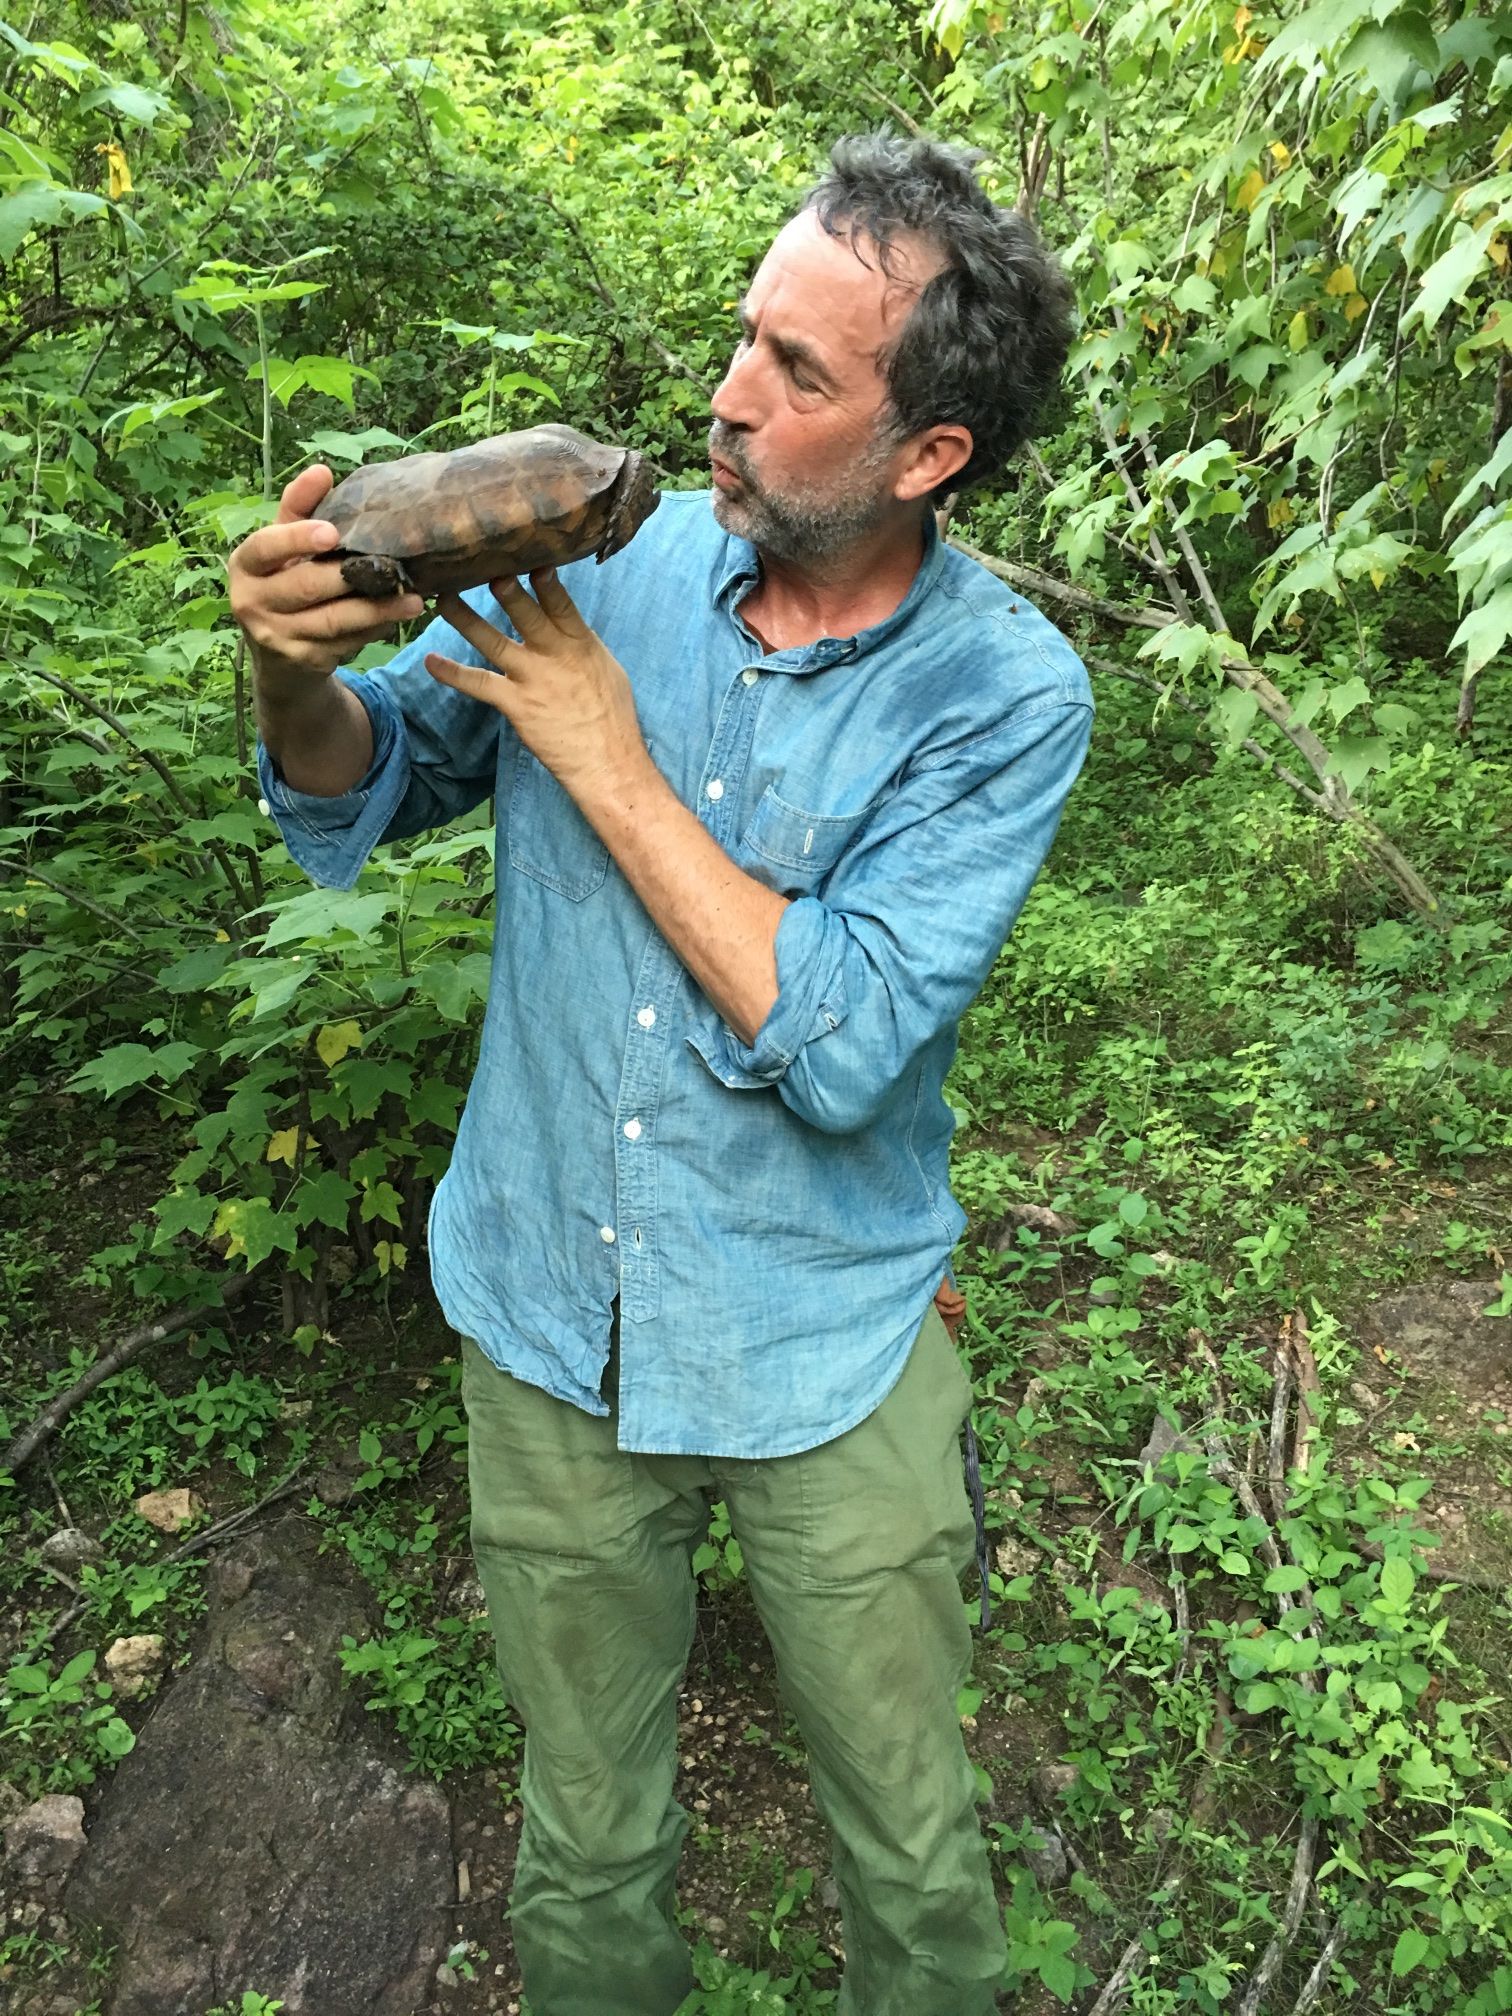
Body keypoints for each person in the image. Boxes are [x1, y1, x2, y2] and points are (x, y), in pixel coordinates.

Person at [229, 132, 1091, 2016]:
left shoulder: (1004, 696)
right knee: (587, 1834)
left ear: (927, 452)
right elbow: (371, 780)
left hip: (825, 1339)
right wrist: (294, 673)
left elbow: (850, 1041)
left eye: (799, 376)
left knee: (915, 1847)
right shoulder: (607, 555)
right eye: (742, 339)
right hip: (549, 1306)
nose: (725, 401)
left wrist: (612, 759)